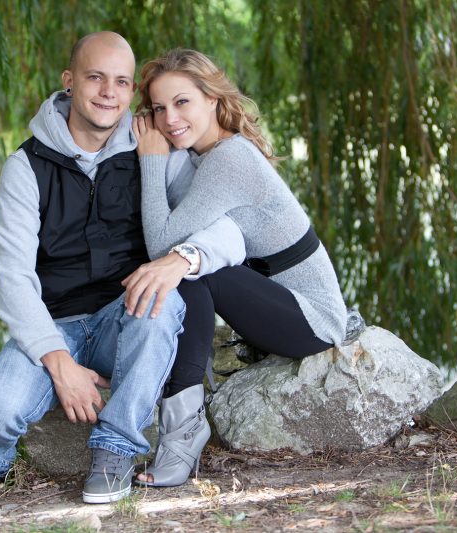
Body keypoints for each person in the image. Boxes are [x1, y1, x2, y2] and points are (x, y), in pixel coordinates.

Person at [0, 33, 235, 506]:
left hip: (126, 315)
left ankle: (116, 448)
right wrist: (60, 365)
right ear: (69, 81)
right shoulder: (25, 167)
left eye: (121, 82)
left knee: (163, 302)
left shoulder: (153, 149)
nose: (108, 92)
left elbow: (226, 228)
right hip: (53, 324)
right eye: (95, 77)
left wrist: (182, 259)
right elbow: (12, 279)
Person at [123, 48, 348, 487]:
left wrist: (150, 159)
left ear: (212, 98)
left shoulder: (230, 159)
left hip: (313, 320)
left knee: (190, 269)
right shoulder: (204, 153)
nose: (169, 120)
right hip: (280, 306)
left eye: (182, 102)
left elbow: (163, 243)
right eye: (158, 108)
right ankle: (182, 424)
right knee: (188, 267)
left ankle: (184, 430)